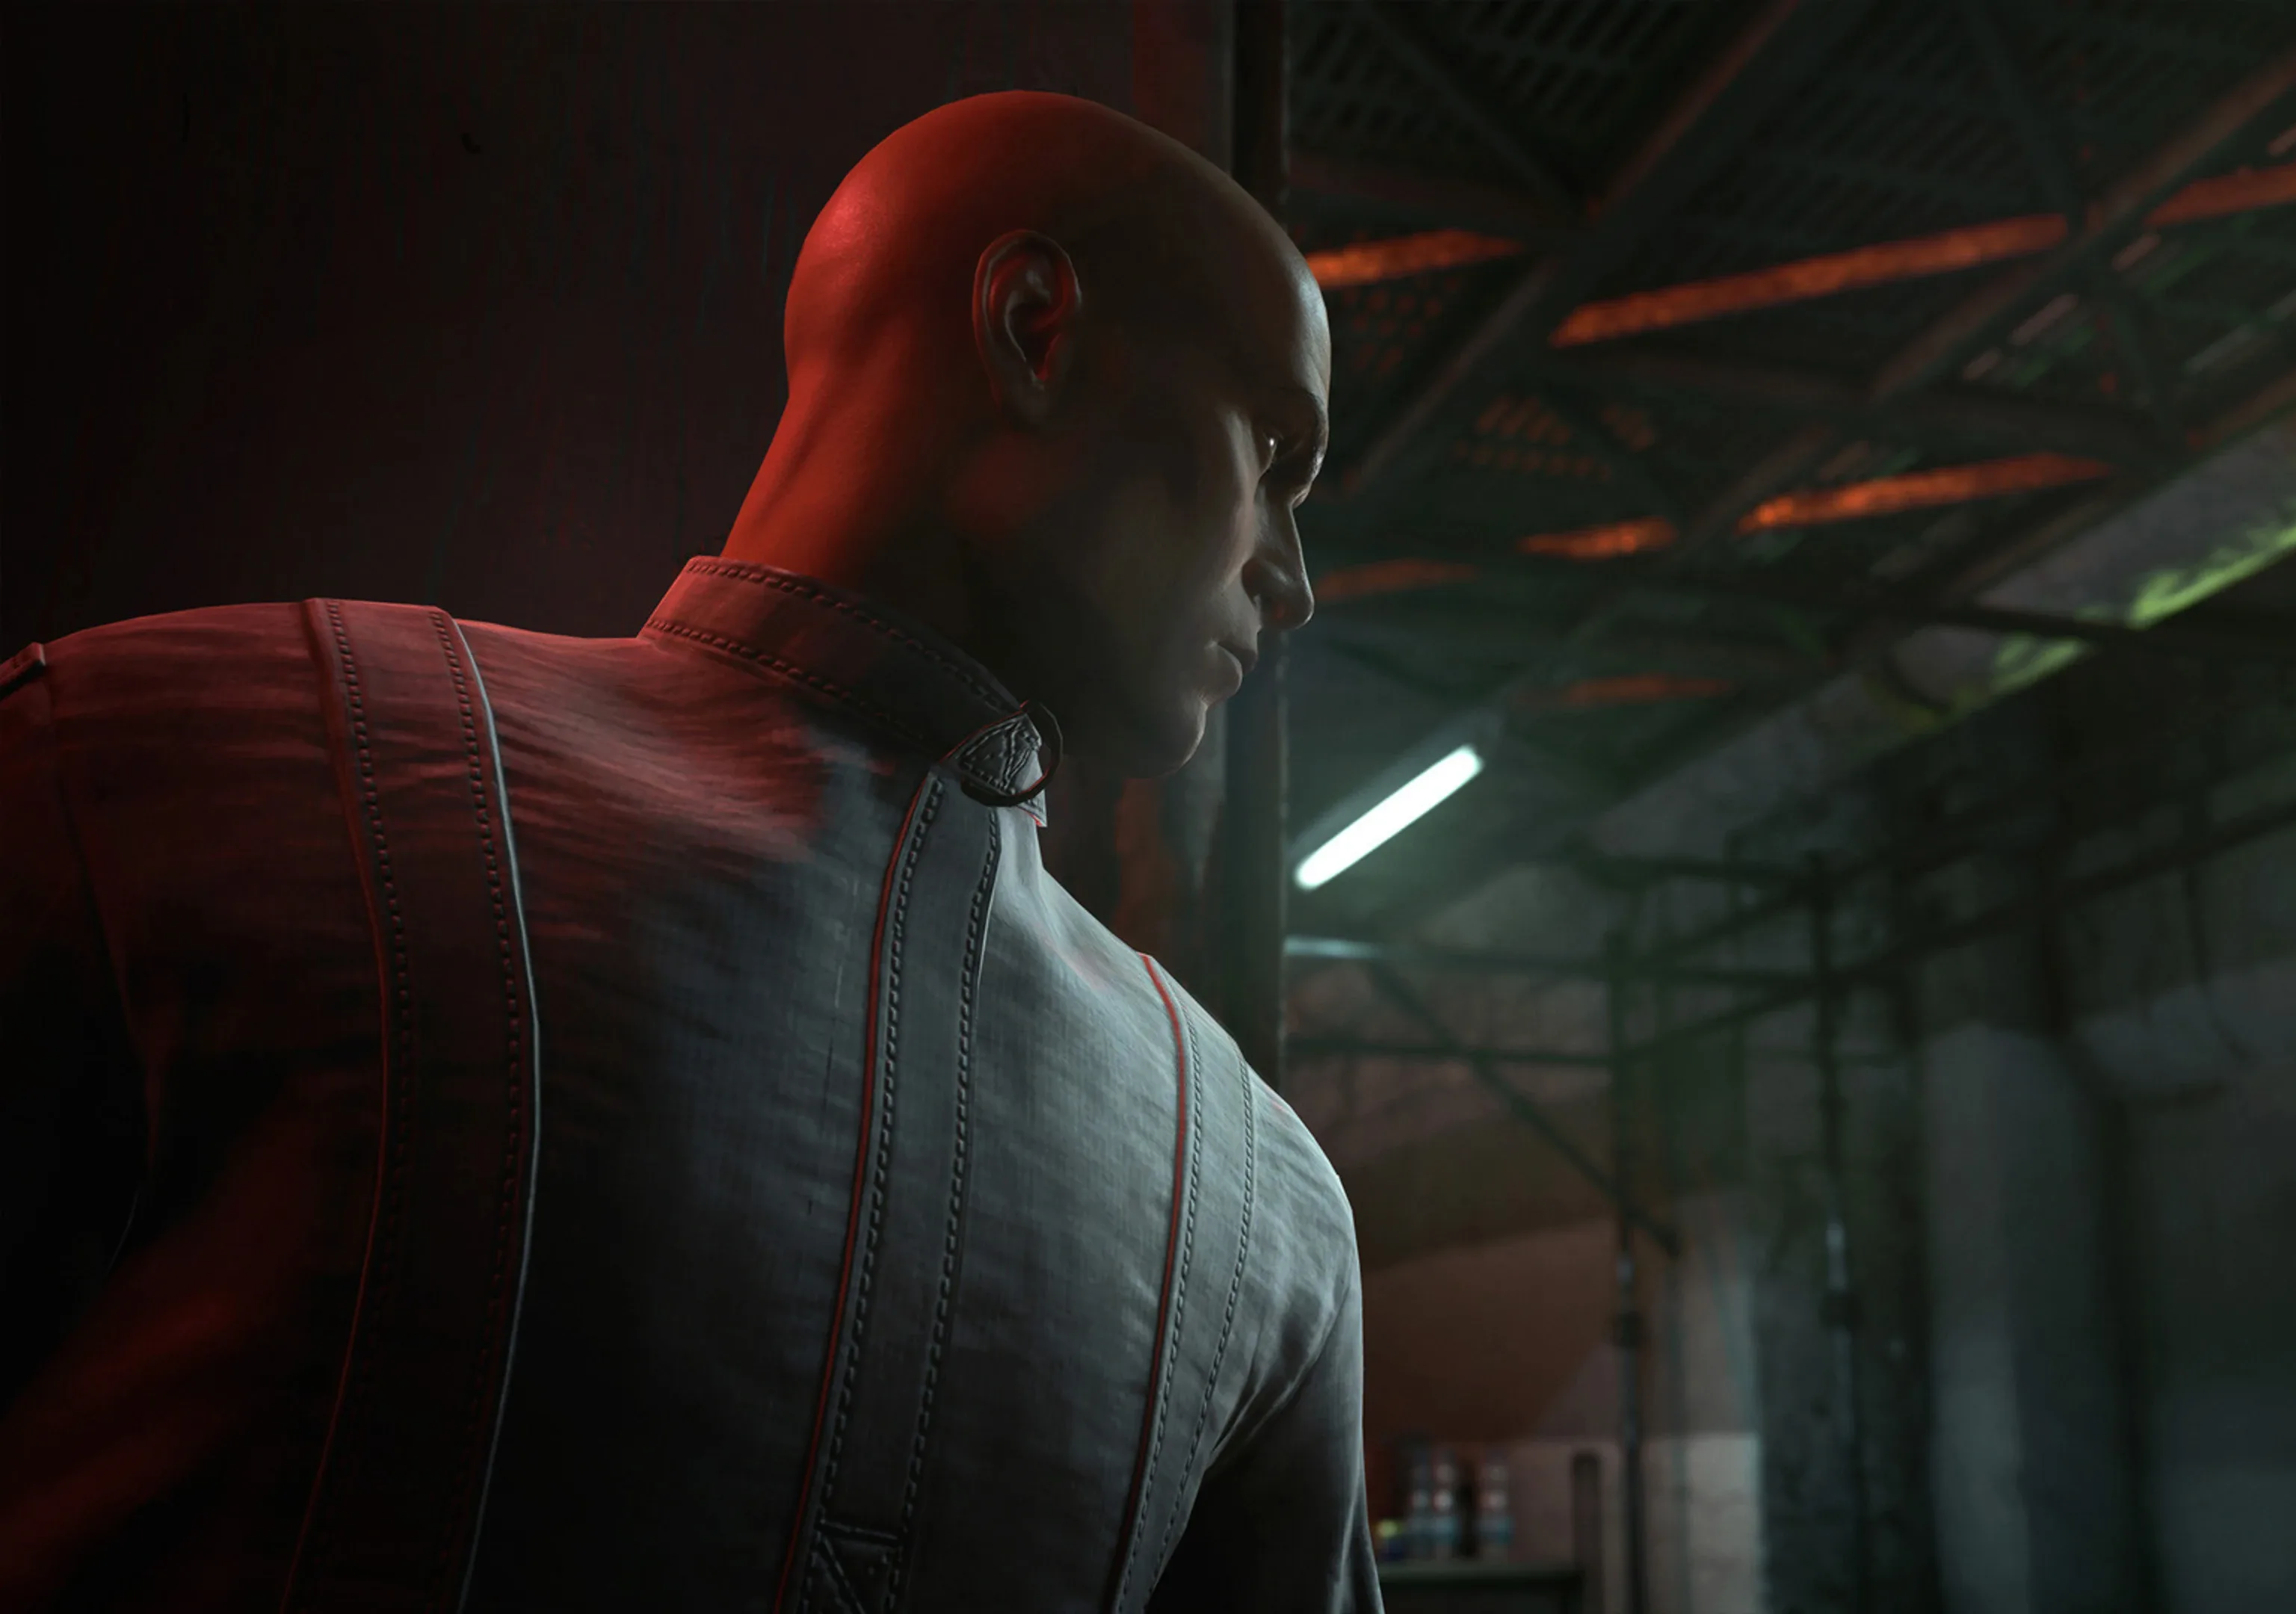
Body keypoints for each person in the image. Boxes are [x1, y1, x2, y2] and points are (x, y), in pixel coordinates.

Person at [0, 90, 1369, 1612]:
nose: (1291, 579)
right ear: (1032, 328)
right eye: (1274, 452)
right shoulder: (1263, 1210)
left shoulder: (159, 764)